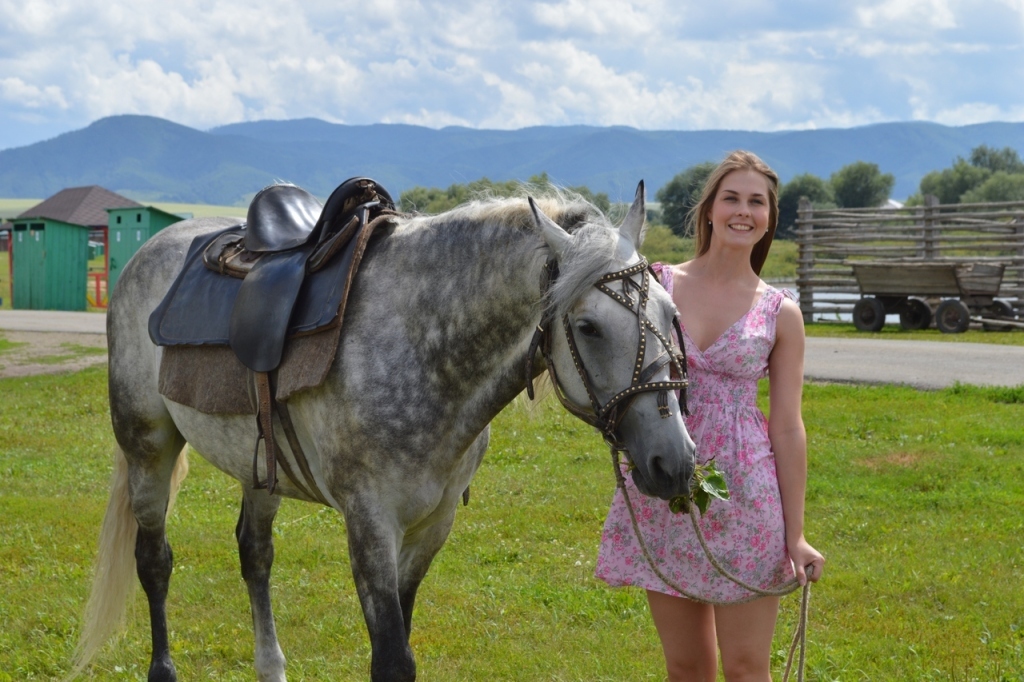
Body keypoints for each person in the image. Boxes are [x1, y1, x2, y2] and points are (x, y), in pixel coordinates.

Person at [595, 150, 825, 681]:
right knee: (686, 668)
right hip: (664, 488)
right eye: (732, 198)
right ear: (709, 210)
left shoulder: (780, 312)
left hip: (747, 497)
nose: (743, 211)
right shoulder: (656, 287)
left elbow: (788, 426)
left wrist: (796, 535)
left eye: (756, 202)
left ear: (770, 217)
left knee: (746, 670)